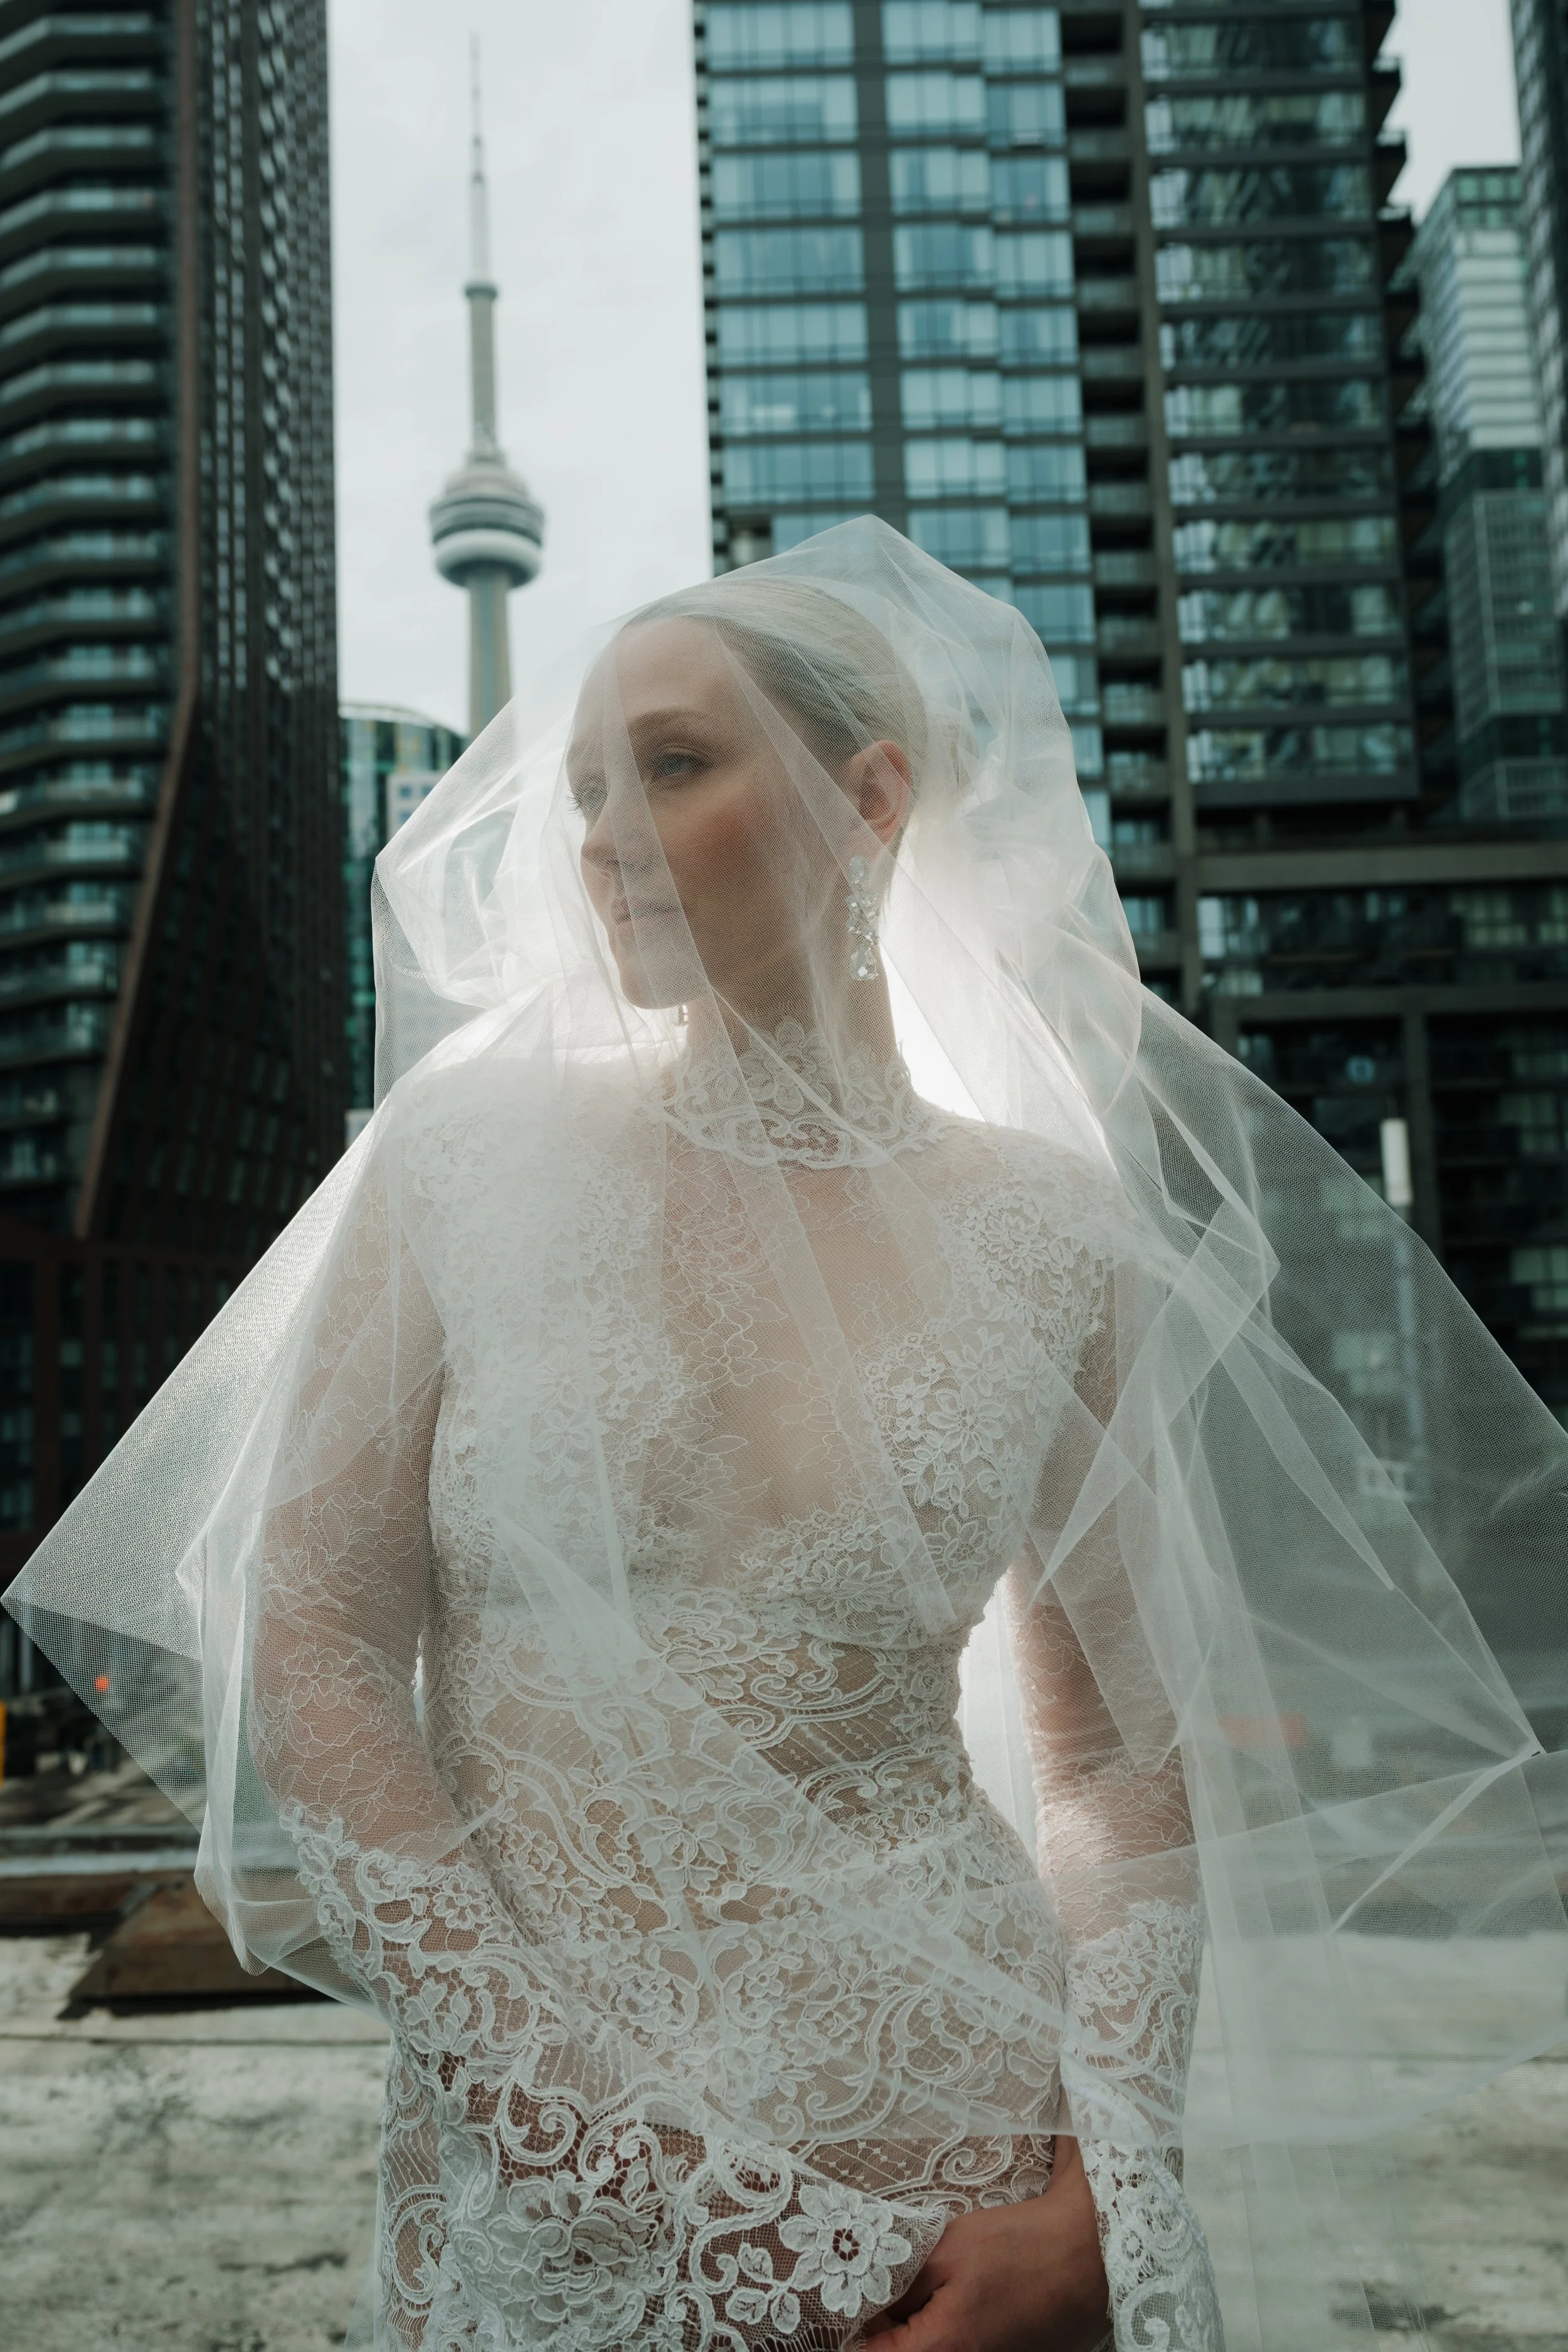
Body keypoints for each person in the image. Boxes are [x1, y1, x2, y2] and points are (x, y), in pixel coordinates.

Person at [8, 520, 1565, 2352]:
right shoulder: (465, 1154)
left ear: (869, 797)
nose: (601, 837)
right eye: (585, 789)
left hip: (961, 2145)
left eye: (672, 765)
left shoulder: (1052, 1230)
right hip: (550, 2166)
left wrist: (1102, 2187)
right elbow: (314, 1630)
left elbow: (1121, 1753)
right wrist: (568, 2121)